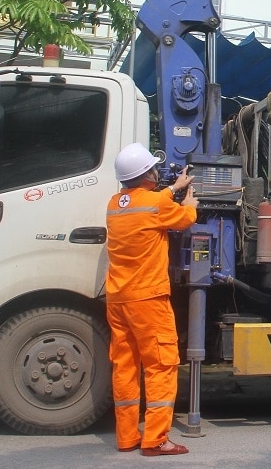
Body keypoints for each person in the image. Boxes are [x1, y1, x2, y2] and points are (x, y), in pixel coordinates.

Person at [106, 143, 198, 456]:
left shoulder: (115, 204)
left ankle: (127, 436)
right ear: (147, 174)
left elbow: (153, 201)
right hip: (148, 298)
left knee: (126, 365)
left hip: (118, 298)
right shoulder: (156, 205)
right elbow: (183, 219)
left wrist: (174, 186)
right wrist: (190, 201)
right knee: (161, 364)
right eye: (153, 169)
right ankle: (156, 439)